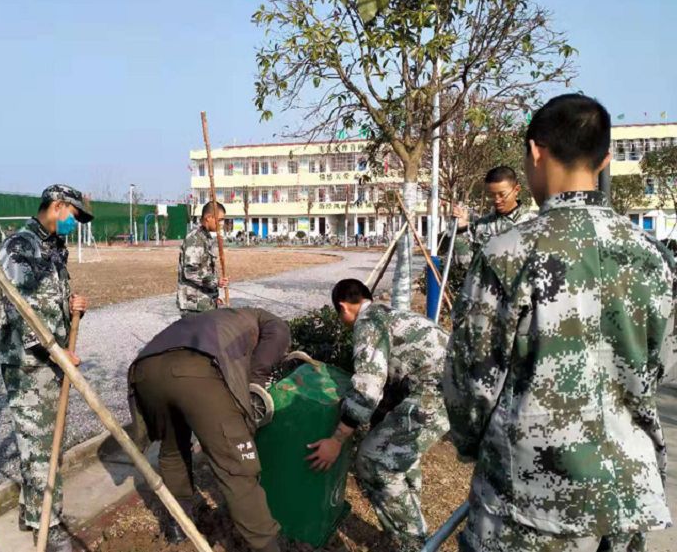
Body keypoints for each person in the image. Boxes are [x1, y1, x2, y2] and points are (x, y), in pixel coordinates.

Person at [444, 93, 676, 552]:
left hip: (530, 499)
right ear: (606, 158)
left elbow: (470, 381)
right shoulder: (652, 257)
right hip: (624, 494)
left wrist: (472, 445)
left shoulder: (509, 253)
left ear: (534, 151)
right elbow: (660, 365)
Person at [128, 307, 290, 552]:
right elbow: (260, 367)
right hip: (195, 369)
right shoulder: (273, 322)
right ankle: (266, 546)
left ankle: (178, 526)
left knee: (172, 449)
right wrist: (251, 392)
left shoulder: (224, 316)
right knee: (236, 466)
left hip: (145, 371)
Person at [306, 279, 450, 552]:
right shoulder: (387, 312)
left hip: (439, 392)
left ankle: (415, 543)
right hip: (453, 386)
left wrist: (336, 440)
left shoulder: (368, 324)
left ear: (342, 307)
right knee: (398, 457)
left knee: (374, 461)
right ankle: (407, 526)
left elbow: (369, 388)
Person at [0, 184, 93, 552]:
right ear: (57, 206)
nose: (76, 223)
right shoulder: (20, 247)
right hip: (28, 363)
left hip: (51, 360)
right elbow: (23, 313)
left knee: (44, 442)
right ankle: (47, 527)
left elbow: (51, 301)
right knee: (39, 446)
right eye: (75, 215)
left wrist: (74, 304)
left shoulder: (54, 248)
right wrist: (57, 352)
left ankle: (30, 512)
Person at [451, 166, 536, 268]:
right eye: (491, 195)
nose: (497, 200)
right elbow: (465, 264)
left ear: (516, 190)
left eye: (502, 194)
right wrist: (461, 229)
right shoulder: (481, 225)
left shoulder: (534, 224)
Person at [177, 201, 229, 315]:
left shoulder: (205, 237)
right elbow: (190, 271)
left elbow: (206, 269)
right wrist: (216, 282)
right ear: (209, 217)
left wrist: (213, 297)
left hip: (203, 303)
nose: (221, 223)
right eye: (220, 219)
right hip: (194, 306)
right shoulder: (195, 239)